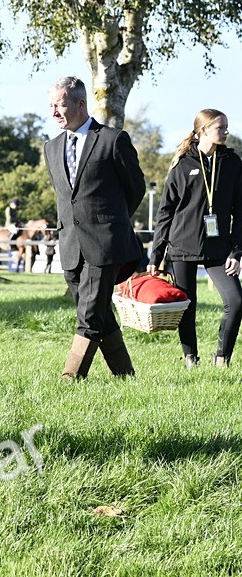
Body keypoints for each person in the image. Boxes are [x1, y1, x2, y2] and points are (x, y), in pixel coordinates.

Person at [44, 76, 146, 380]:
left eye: (60, 105)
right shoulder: (51, 148)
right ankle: (125, 375)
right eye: (50, 106)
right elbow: (66, 196)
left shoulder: (113, 139)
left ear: (80, 103)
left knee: (88, 316)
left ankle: (70, 378)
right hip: (70, 245)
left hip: (105, 244)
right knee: (98, 311)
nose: (54, 112)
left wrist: (112, 222)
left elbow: (136, 188)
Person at [148, 109, 242, 368]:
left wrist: (236, 251)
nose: (226, 131)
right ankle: (191, 358)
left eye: (226, 127)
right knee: (187, 305)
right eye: (220, 127)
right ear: (203, 130)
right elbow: (165, 212)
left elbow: (240, 210)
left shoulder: (232, 163)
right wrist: (156, 256)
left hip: (219, 247)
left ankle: (222, 358)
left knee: (236, 300)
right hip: (182, 245)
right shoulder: (182, 164)